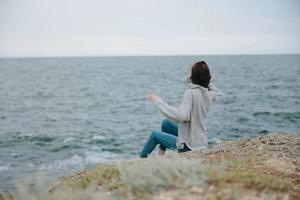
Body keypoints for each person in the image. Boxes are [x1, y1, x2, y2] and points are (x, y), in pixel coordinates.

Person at [140, 61, 220, 158]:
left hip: (188, 146)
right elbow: (216, 91)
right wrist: (204, 81)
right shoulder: (209, 94)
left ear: (193, 77)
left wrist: (157, 102)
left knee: (154, 135)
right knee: (165, 123)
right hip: (201, 143)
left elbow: (181, 116)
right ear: (207, 78)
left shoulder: (190, 93)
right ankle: (161, 156)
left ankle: (139, 161)